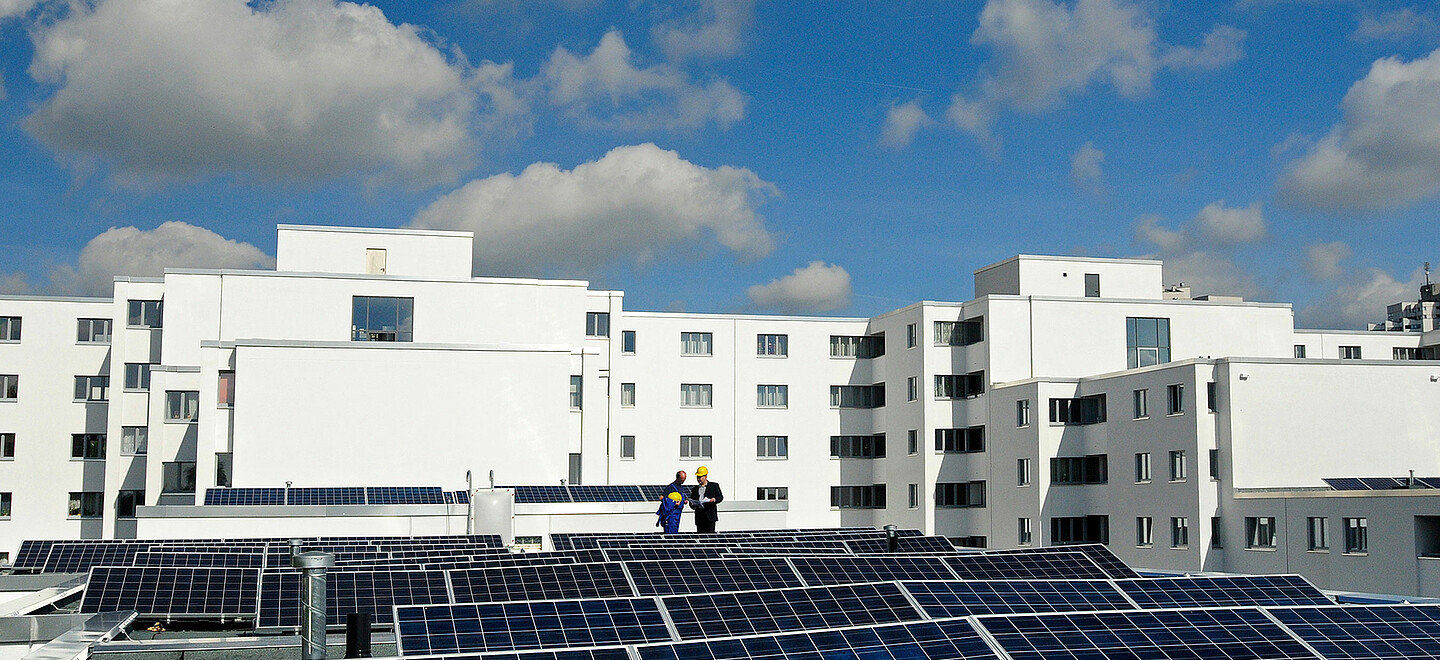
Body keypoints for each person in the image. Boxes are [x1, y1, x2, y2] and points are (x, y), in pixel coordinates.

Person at [689, 465, 724, 533]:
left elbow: (720, 497)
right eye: (697, 477)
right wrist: (694, 504)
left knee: (710, 536)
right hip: (699, 517)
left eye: (700, 477)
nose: (698, 479)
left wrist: (714, 500)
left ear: (705, 477)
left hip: (710, 516)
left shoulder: (713, 486)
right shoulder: (695, 489)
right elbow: (692, 502)